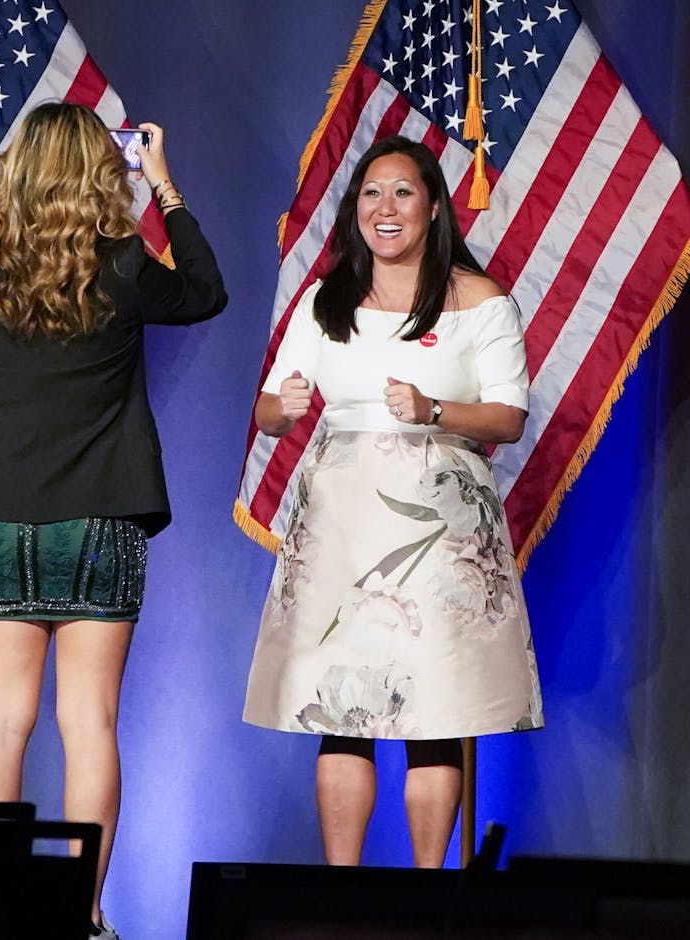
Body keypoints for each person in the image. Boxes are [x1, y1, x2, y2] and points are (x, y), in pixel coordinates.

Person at [0, 102, 226, 937]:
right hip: (101, 518)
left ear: (17, 171)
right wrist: (164, 187)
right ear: (104, 172)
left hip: (1, 518)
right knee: (88, 721)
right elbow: (206, 290)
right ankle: (80, 915)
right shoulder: (128, 266)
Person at [243, 135, 543, 868]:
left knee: (435, 711)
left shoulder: (482, 301)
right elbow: (269, 409)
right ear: (355, 211)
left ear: (433, 207)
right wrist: (280, 409)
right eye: (371, 194)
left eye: (402, 193)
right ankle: (341, 896)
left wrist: (435, 410)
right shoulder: (328, 298)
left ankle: (426, 896)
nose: (386, 208)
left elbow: (508, 416)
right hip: (342, 519)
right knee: (341, 712)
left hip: (438, 524)